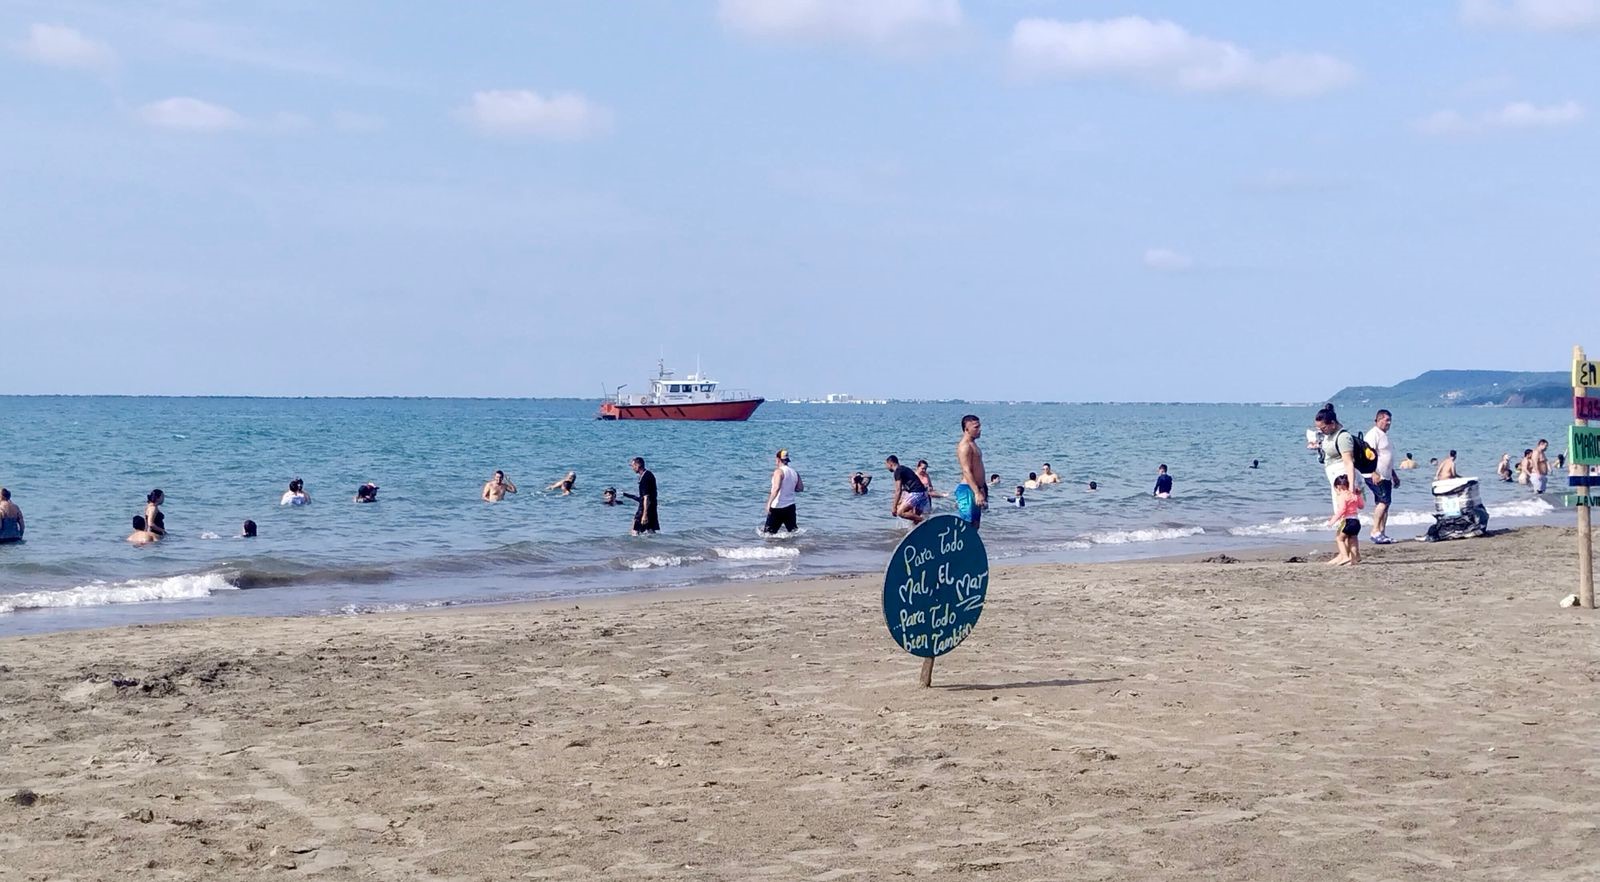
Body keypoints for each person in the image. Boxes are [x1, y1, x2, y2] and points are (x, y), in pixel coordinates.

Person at [1314, 404, 1361, 513]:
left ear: (1333, 424)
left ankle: (1344, 530)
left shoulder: (1343, 437)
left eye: (1323, 428)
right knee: (1340, 511)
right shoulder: (1329, 434)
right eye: (1319, 429)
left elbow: (1349, 463)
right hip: (1335, 479)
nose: (1321, 431)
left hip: (1343, 479)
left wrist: (1351, 488)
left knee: (1345, 512)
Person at [1364, 409, 1399, 544]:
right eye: (1386, 420)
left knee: (1386, 503)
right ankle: (1375, 531)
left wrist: (1394, 475)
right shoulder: (1373, 434)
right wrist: (1373, 472)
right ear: (1378, 420)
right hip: (1374, 475)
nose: (1388, 423)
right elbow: (1367, 456)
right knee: (1383, 502)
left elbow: (1387, 458)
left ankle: (1382, 533)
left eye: (1390, 421)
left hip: (1386, 476)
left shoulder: (1385, 436)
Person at [956, 414, 988, 529]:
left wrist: (981, 488)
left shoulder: (973, 444)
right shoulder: (965, 446)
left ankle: (971, 547)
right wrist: (976, 492)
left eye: (979, 426)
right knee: (967, 526)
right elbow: (966, 470)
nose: (979, 430)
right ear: (966, 429)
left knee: (975, 525)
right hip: (967, 490)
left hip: (976, 488)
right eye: (976, 427)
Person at [1326, 474, 1363, 566]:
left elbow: (1342, 510)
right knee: (1353, 539)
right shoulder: (1354, 495)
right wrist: (1359, 495)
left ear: (1338, 487)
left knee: (1339, 538)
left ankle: (1345, 556)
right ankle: (1354, 558)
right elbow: (1361, 506)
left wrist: (1332, 520)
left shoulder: (1342, 496)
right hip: (1356, 521)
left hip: (1348, 521)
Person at [762, 448, 803, 534]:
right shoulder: (795, 472)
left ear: (778, 459)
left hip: (777, 507)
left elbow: (776, 488)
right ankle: (793, 547)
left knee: (768, 534)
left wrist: (768, 503)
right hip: (790, 507)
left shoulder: (779, 472)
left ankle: (773, 548)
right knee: (793, 532)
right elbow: (800, 488)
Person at [886, 455, 929, 525]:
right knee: (915, 521)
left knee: (900, 512)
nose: (886, 467)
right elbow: (907, 487)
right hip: (923, 494)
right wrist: (900, 501)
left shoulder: (897, 471)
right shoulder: (904, 469)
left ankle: (926, 521)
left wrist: (894, 507)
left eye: (886, 465)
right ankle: (921, 528)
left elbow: (898, 490)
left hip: (917, 493)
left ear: (890, 463)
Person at [625, 457, 659, 534]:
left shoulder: (645, 478)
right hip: (652, 506)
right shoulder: (649, 474)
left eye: (633, 466)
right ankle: (656, 545)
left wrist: (644, 514)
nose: (632, 468)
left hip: (645, 507)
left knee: (635, 529)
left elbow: (646, 497)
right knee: (650, 529)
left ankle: (633, 545)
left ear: (638, 465)